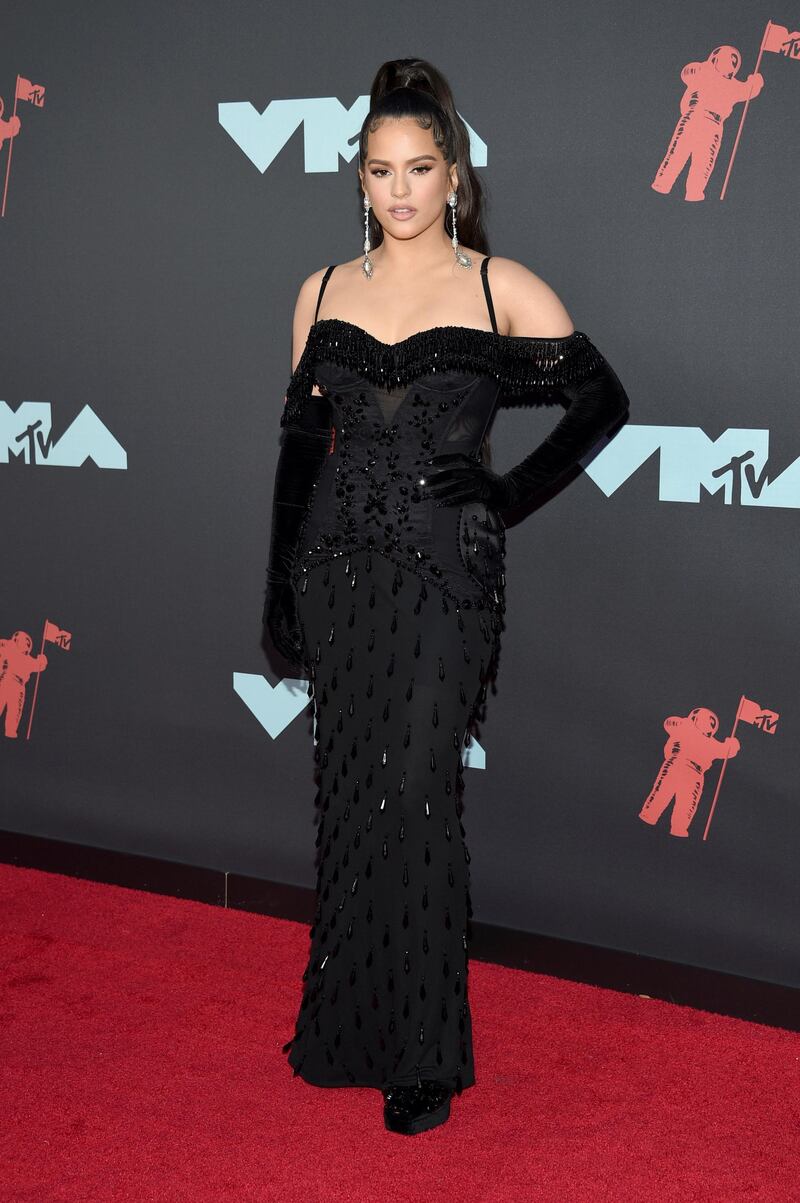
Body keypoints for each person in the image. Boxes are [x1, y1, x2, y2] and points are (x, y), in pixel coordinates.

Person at [263, 57, 630, 1135]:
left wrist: (506, 494)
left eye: (420, 168)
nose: (401, 190)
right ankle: (347, 1024)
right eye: (381, 171)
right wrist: (277, 587)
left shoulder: (495, 287)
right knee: (348, 796)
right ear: (359, 180)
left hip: (444, 578)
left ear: (455, 175)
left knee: (417, 797)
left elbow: (598, 401)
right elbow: (298, 450)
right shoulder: (321, 293)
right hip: (335, 575)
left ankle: (423, 1050)